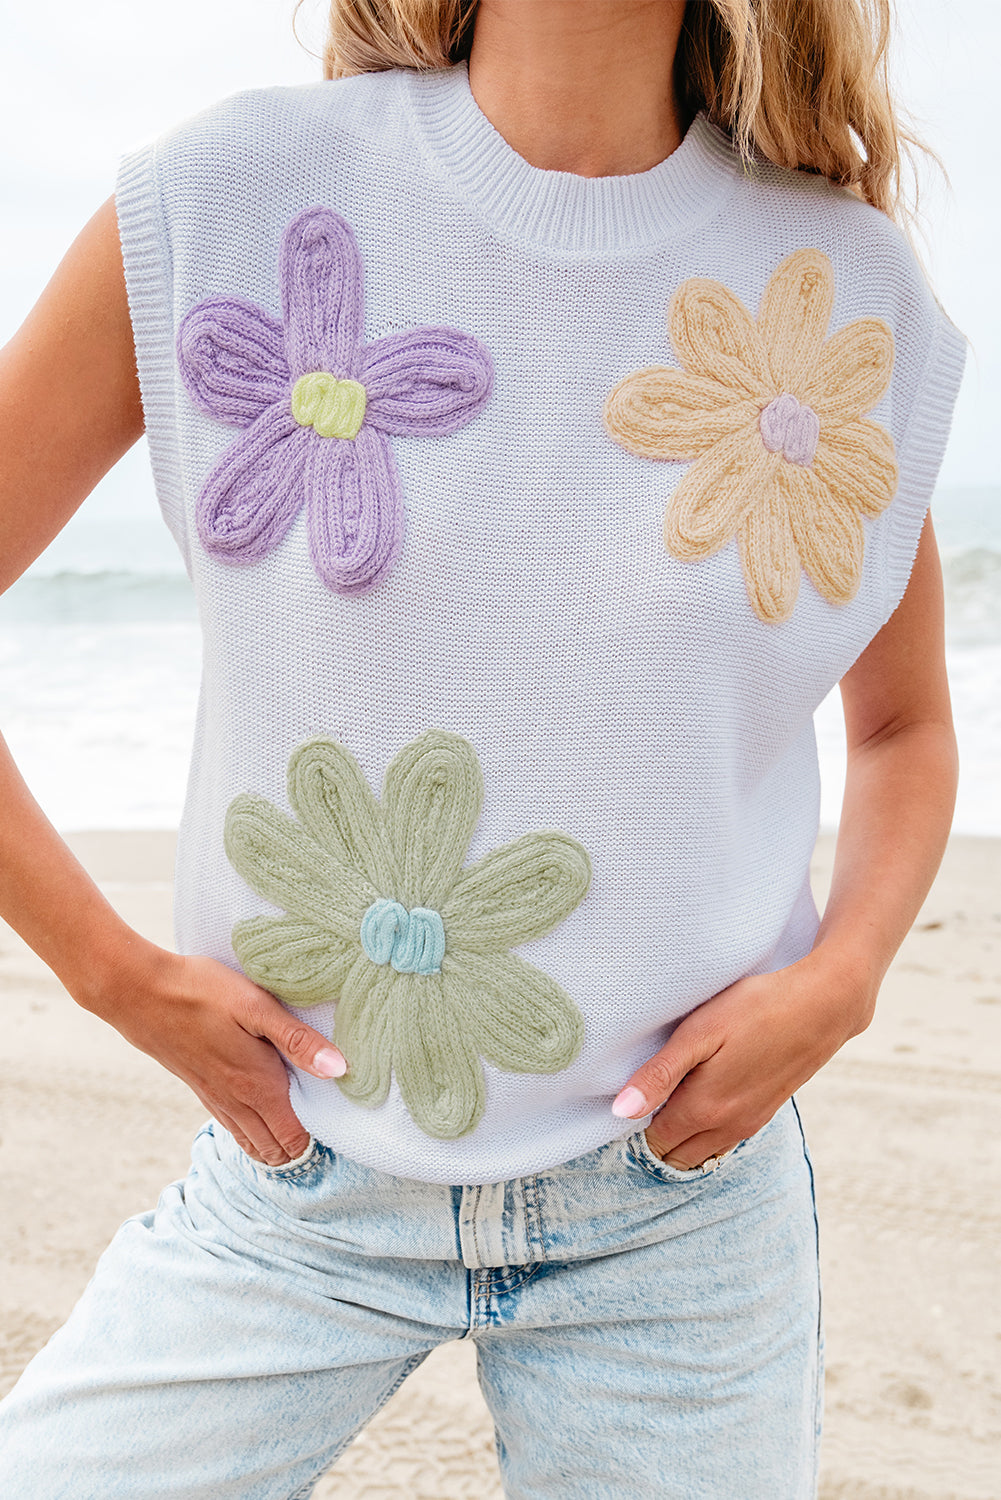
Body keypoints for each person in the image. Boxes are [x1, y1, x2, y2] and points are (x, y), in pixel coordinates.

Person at [0, 1, 966, 1495]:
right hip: (299, 1185)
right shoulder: (226, 195)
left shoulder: (845, 294)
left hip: (680, 1215)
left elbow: (900, 724)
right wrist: (110, 974)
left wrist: (844, 977)